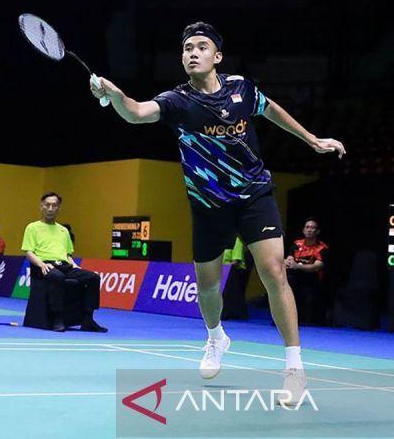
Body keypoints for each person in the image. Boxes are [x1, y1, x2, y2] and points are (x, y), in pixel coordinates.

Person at [90, 21, 345, 403]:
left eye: (201, 47)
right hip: (209, 204)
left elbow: (270, 109)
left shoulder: (242, 89)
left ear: (217, 56)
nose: (192, 53)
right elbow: (137, 113)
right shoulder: (177, 101)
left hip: (254, 194)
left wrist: (311, 139)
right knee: (208, 285)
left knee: (275, 272)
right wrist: (114, 95)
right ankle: (215, 338)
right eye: (187, 48)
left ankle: (295, 368)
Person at [22, 192, 107, 333]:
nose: (50, 209)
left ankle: (88, 319)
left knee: (93, 278)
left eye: (54, 205)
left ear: (58, 208)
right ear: (41, 207)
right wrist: (41, 264)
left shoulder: (64, 231)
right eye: (47, 205)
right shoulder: (32, 227)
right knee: (57, 277)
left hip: (64, 265)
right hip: (44, 265)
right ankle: (57, 318)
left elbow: (67, 255)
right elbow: (29, 252)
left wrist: (75, 266)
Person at [285, 218, 328, 325]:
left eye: (312, 228)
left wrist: (298, 266)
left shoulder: (322, 248)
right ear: (303, 230)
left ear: (317, 231)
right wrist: (287, 262)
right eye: (307, 227)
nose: (309, 230)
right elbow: (289, 259)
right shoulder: (297, 244)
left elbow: (316, 267)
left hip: (312, 280)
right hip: (295, 278)